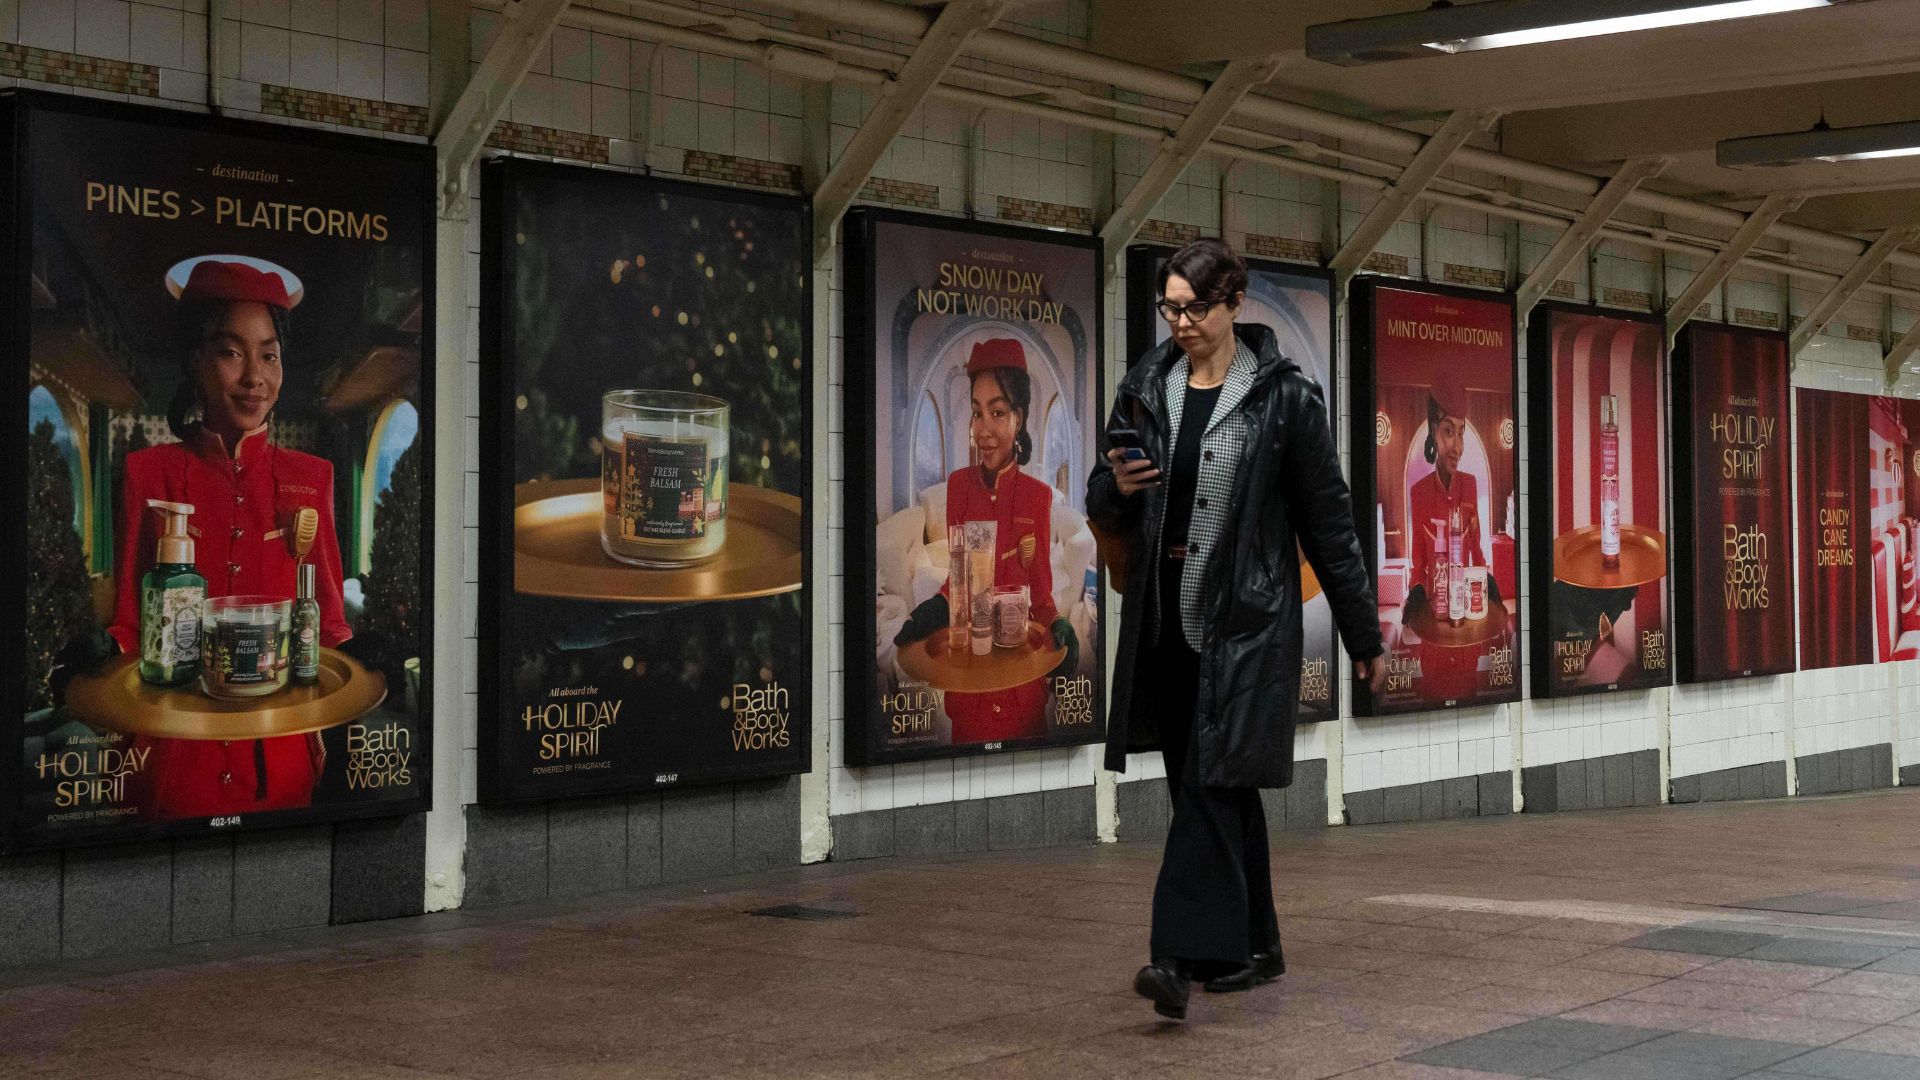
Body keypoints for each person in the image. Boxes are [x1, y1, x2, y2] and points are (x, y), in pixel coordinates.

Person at [1087, 238, 1385, 1020]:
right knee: (1211, 786)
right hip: (1165, 620)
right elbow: (1101, 486)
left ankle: (1174, 960)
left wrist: (1366, 638)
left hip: (1244, 629)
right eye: (1170, 306)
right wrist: (1115, 485)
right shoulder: (1148, 384)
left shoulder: (1284, 399)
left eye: (1194, 307)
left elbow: (1331, 526)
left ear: (1234, 305)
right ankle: (1255, 945)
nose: (1179, 322)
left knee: (1206, 790)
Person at [106, 258, 352, 822]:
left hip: (282, 757)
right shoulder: (149, 473)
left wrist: (360, 658)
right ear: (196, 361)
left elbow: (332, 624)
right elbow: (127, 622)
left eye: (269, 354)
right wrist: (101, 658)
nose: (254, 378)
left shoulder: (313, 478)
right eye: (231, 352)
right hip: (168, 761)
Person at [895, 338, 1077, 744]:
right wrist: (933, 608)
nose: (984, 431)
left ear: (1020, 418)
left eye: (997, 412)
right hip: (968, 689)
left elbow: (1042, 593)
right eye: (977, 413)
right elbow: (957, 583)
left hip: (1022, 690)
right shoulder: (959, 488)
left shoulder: (1038, 496)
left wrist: (1058, 622)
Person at [1402, 370, 1496, 700]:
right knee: (1433, 696)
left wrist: (1489, 581)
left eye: (1461, 433)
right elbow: (1417, 563)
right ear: (1432, 431)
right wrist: (1414, 593)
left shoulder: (1470, 484)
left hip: (1467, 623)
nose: (1456, 446)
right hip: (1434, 619)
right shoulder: (1418, 492)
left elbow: (1479, 552)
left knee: (1469, 697)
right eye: (1447, 432)